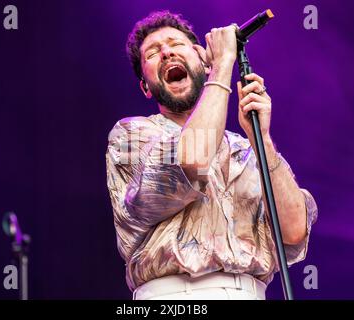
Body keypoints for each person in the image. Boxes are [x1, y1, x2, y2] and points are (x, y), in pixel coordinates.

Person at [106, 10, 318, 300]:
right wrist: (223, 64)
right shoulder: (132, 135)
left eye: (177, 44)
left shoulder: (245, 149)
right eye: (153, 52)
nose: (167, 52)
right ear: (146, 86)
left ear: (201, 63)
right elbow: (192, 162)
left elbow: (293, 232)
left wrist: (262, 140)